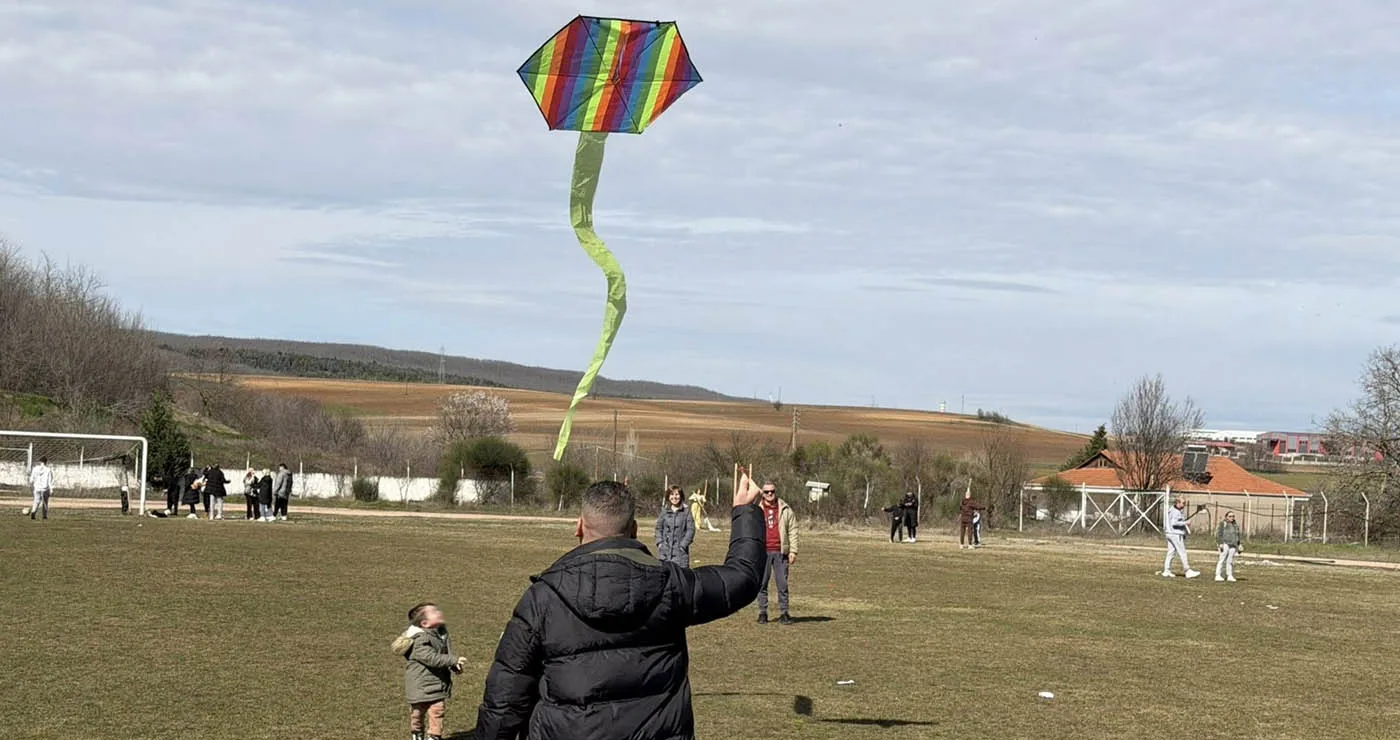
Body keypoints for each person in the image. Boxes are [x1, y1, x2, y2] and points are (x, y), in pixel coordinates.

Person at [474, 474, 765, 739]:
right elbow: (742, 579)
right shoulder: (671, 584)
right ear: (635, 529)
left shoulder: (541, 597)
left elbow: (504, 700)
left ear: (579, 527)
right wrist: (745, 510)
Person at [391, 602, 467, 740]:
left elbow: (445, 654)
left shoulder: (442, 634)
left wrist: (454, 666)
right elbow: (431, 658)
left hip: (438, 684)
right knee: (417, 713)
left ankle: (434, 736)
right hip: (420, 686)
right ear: (425, 623)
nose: (439, 612)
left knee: (438, 711)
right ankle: (417, 733)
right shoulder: (420, 639)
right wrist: (452, 660)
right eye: (434, 612)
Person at [757, 480, 797, 624]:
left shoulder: (785, 509)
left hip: (781, 552)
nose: (769, 494)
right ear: (762, 493)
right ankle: (763, 613)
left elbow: (793, 530)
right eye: (766, 492)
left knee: (782, 584)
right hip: (763, 552)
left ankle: (784, 613)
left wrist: (793, 551)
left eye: (772, 491)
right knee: (762, 583)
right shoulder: (757, 510)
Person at [655, 485, 696, 566]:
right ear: (668, 496)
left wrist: (683, 546)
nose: (674, 497)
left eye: (677, 494)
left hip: (680, 555)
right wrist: (660, 543)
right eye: (672, 494)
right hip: (664, 553)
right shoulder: (664, 511)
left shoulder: (686, 512)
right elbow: (658, 528)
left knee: (681, 577)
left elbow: (691, 530)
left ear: (681, 496)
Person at [1162, 498, 1201, 578]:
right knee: (1182, 552)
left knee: (1171, 552)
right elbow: (1174, 523)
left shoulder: (1172, 510)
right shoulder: (1176, 512)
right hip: (1175, 534)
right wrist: (1185, 523)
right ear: (1178, 503)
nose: (1184, 505)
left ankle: (1167, 570)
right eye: (1183, 503)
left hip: (1170, 533)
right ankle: (1187, 570)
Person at [1215, 510, 1242, 582]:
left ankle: (1229, 575)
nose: (1232, 518)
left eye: (1233, 516)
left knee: (1230, 561)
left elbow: (1238, 536)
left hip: (1233, 544)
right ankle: (1218, 575)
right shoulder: (1223, 524)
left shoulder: (1235, 525)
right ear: (1226, 517)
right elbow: (1218, 534)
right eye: (1230, 516)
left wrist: (1239, 544)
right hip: (1225, 543)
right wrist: (1220, 543)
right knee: (1222, 559)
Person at [29, 456, 53, 521]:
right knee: (45, 503)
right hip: (45, 488)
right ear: (46, 462)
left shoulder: (35, 469)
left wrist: (31, 484)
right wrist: (51, 489)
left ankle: (33, 512)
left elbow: (31, 479)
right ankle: (44, 516)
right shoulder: (48, 470)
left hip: (37, 488)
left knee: (36, 501)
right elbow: (49, 480)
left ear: (40, 462)